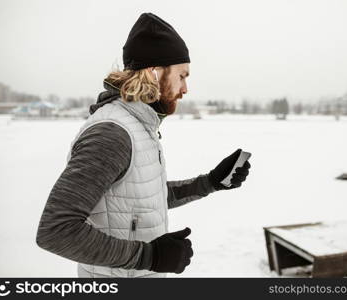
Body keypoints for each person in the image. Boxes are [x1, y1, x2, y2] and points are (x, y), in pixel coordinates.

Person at [36, 12, 251, 278]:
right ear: (154, 72)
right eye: (182, 76)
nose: (186, 88)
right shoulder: (111, 134)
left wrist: (210, 182)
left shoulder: (139, 126)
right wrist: (150, 256)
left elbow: (140, 201)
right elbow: (56, 230)